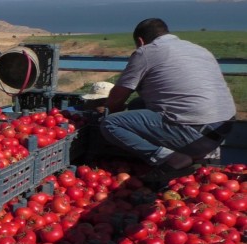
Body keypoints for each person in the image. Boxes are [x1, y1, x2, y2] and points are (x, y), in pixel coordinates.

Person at [100, 18, 235, 186]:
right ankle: (188, 154)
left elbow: (119, 95)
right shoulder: (198, 49)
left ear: (140, 41)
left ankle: (173, 159)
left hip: (193, 133)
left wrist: (109, 111)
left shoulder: (146, 52)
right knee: (137, 105)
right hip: (221, 131)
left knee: (111, 124)